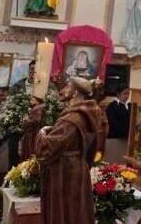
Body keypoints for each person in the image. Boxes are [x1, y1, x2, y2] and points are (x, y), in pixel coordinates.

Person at [35, 76, 103, 224]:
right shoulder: (90, 113)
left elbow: (48, 149)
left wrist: (42, 133)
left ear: (76, 93)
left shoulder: (72, 119)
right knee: (76, 208)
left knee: (66, 209)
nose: (63, 90)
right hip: (79, 164)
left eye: (67, 87)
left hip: (64, 170)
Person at [20, 96, 45, 162]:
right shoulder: (35, 108)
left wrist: (26, 120)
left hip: (33, 133)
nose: (30, 101)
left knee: (32, 150)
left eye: (32, 100)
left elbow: (37, 121)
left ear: (37, 101)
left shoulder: (38, 109)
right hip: (30, 133)